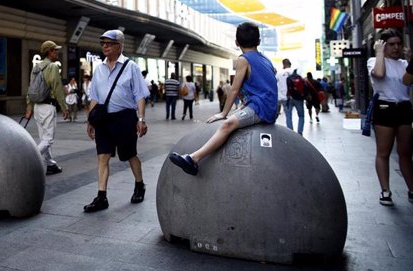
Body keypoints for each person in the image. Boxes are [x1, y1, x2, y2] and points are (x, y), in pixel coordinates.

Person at [169, 22, 277, 176]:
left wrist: (223, 113)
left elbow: (234, 89)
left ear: (236, 43)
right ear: (258, 42)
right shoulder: (265, 59)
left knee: (227, 125)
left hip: (261, 108)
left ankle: (193, 159)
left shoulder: (243, 59)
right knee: (233, 120)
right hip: (266, 106)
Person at [84, 29, 149, 212]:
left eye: (109, 43)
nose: (104, 46)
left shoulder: (131, 67)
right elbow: (95, 97)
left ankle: (139, 185)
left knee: (129, 154)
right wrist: (91, 120)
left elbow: (140, 95)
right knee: (102, 156)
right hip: (103, 118)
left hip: (125, 117)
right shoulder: (99, 69)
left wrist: (141, 119)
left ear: (119, 45)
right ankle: (101, 197)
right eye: (103, 43)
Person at [367, 29, 413, 206]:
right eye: (391, 44)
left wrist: (409, 60)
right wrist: (379, 52)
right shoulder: (375, 61)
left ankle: (411, 189)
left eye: (398, 44)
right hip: (384, 107)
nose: (396, 47)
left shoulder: (404, 63)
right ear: (383, 46)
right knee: (384, 152)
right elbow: (379, 74)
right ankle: (385, 191)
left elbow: (408, 81)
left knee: (405, 153)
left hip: (403, 108)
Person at [25, 40, 69, 175]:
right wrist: (64, 107)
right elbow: (57, 88)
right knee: (48, 139)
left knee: (44, 138)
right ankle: (29, 160)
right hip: (48, 107)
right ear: (49, 52)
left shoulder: (36, 67)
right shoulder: (53, 67)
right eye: (55, 50)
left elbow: (31, 88)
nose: (57, 53)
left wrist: (29, 106)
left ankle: (50, 165)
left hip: (37, 107)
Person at [286, 68, 306, 135]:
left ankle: (290, 132)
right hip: (299, 99)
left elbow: (287, 88)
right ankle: (300, 132)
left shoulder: (289, 78)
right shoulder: (300, 78)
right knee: (301, 116)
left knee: (288, 115)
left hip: (290, 98)